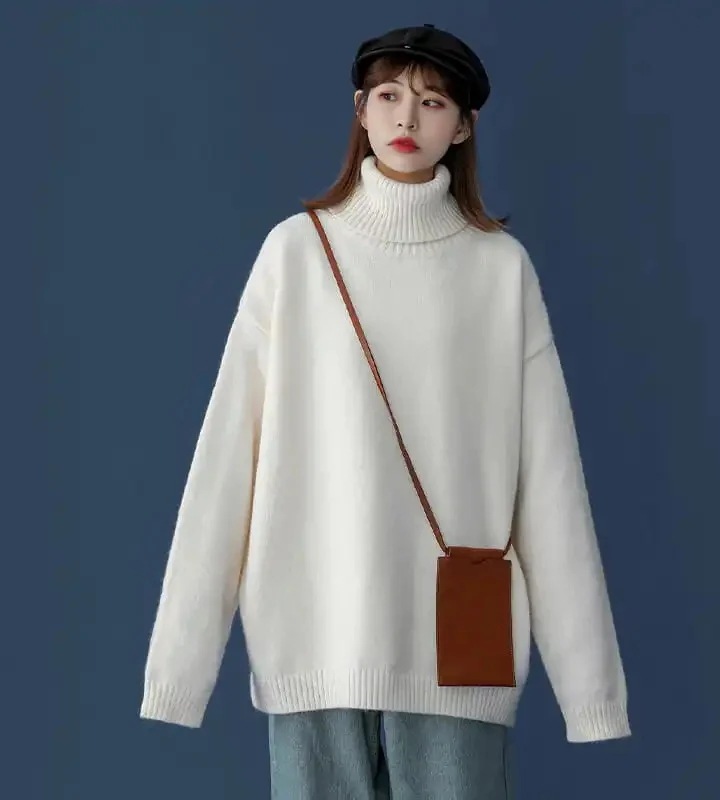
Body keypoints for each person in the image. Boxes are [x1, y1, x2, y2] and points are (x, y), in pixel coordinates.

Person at [140, 23, 632, 799]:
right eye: (390, 96)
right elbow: (225, 464)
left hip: (457, 653)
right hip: (314, 640)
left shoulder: (500, 271)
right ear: (360, 110)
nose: (407, 118)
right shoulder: (295, 255)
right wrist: (178, 669)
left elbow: (550, 483)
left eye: (433, 102)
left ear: (463, 126)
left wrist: (592, 691)